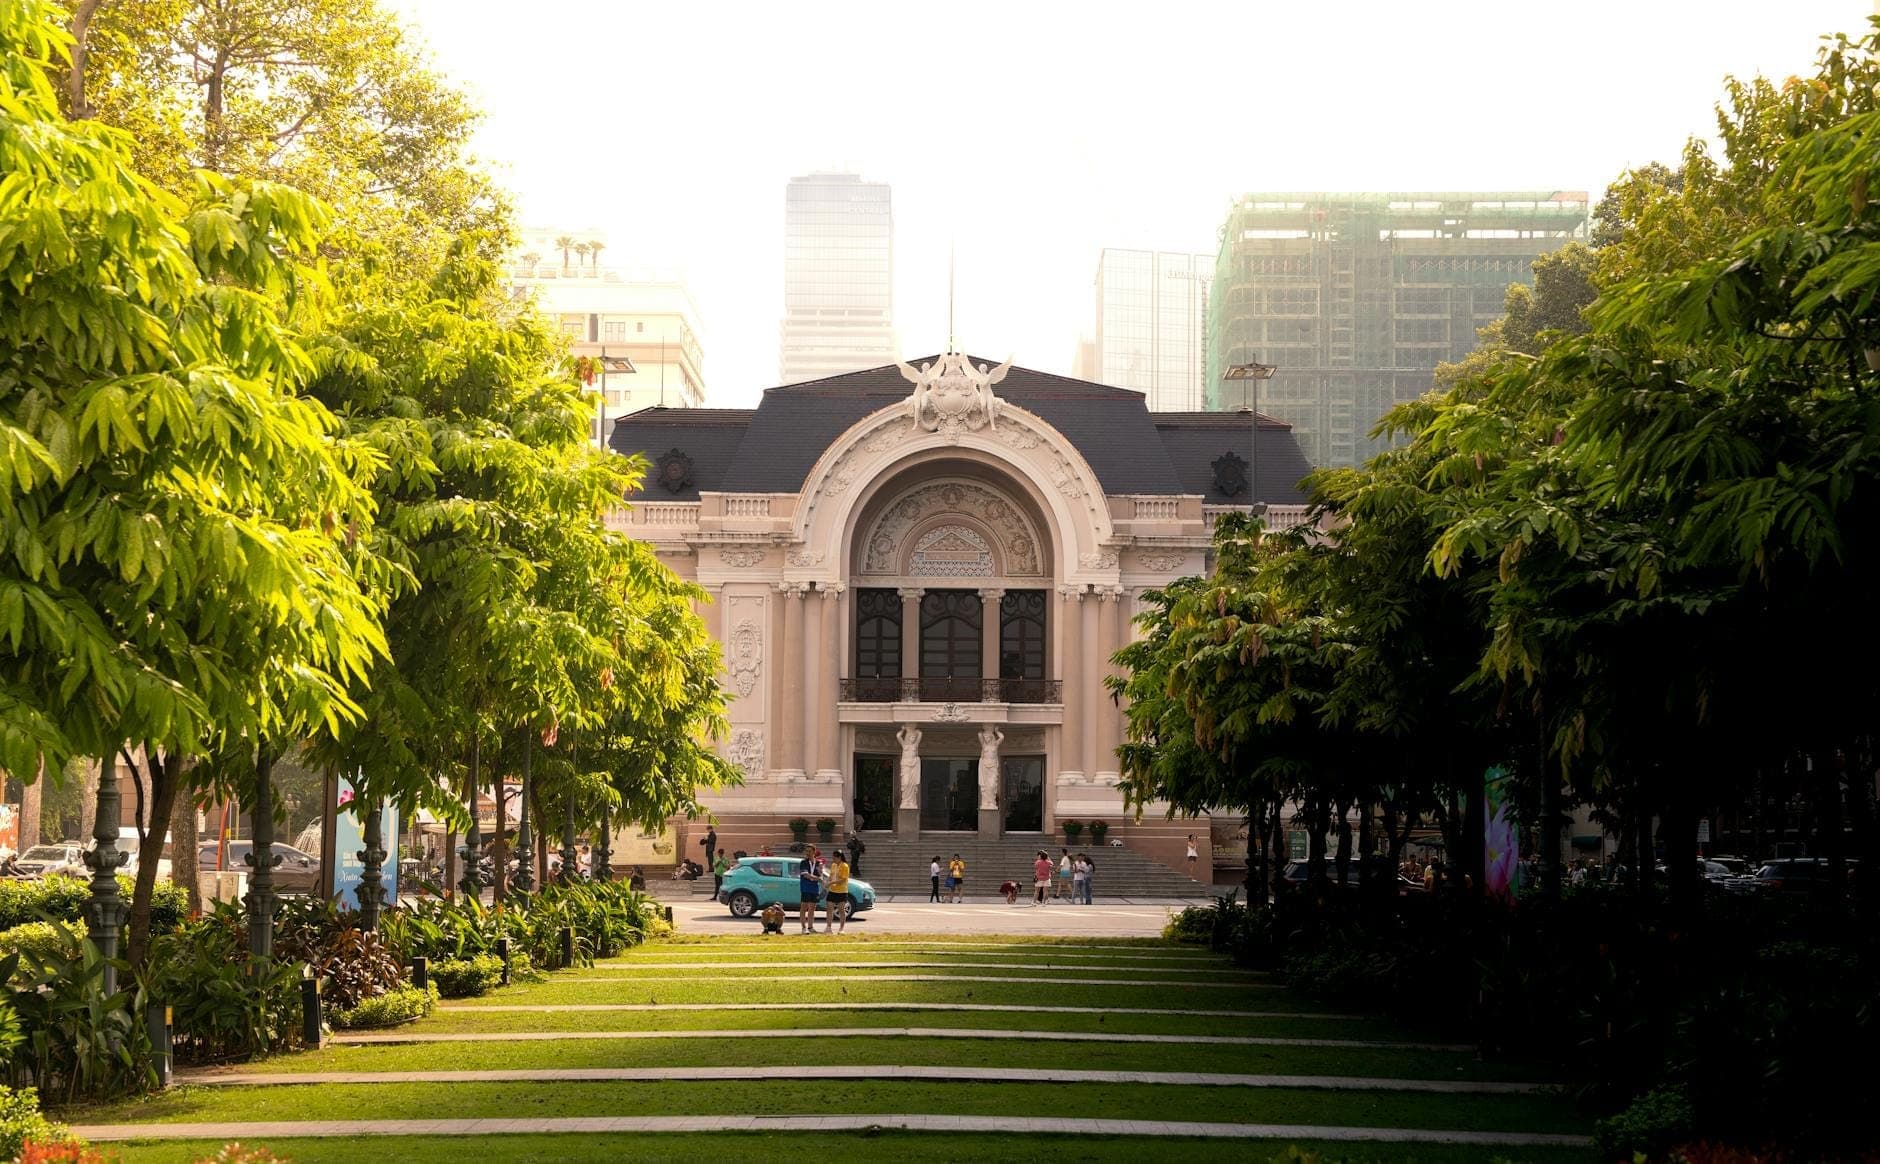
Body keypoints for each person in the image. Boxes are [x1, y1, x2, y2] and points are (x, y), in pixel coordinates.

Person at [825, 850, 851, 935]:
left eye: (834, 858)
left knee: (841, 910)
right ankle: (828, 928)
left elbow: (843, 880)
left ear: (839, 857)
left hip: (842, 891)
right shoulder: (833, 865)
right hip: (832, 890)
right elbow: (831, 875)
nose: (833, 859)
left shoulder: (845, 866)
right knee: (829, 908)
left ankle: (841, 929)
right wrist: (827, 882)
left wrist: (831, 883)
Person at [797, 848, 823, 933]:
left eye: (809, 851)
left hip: (814, 888)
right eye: (806, 851)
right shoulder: (803, 862)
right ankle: (803, 928)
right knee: (804, 907)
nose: (807, 853)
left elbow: (821, 875)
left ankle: (810, 927)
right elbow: (806, 875)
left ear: (814, 852)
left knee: (812, 908)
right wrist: (818, 878)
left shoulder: (818, 863)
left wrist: (821, 872)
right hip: (805, 887)